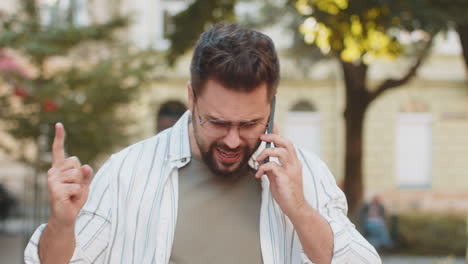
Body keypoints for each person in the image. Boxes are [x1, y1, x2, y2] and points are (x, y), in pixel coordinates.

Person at [24, 23, 381, 264]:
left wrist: (300, 211)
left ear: (270, 105)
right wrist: (62, 224)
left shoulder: (303, 172)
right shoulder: (127, 172)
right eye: (218, 122)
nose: (232, 139)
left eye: (250, 124)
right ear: (192, 97)